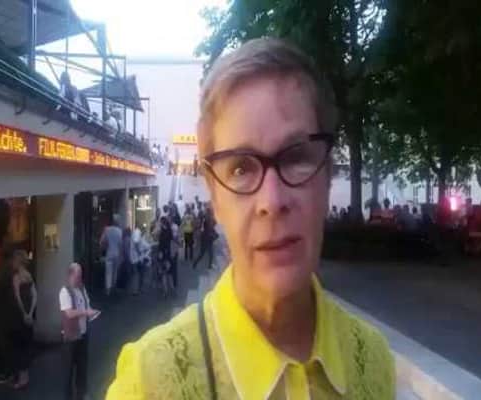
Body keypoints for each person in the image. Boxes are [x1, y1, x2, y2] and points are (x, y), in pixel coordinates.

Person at [108, 38, 394, 399]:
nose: (271, 201)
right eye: (241, 168)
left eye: (296, 157)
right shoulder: (147, 383)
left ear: (327, 175)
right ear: (214, 196)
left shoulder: (374, 361)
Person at [60, 263, 99, 400]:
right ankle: (67, 396)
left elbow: (87, 304)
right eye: (77, 276)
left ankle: (82, 393)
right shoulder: (64, 291)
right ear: (70, 275)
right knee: (68, 369)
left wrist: (91, 312)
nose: (80, 279)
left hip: (83, 333)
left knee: (82, 366)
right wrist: (85, 312)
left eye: (81, 276)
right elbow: (69, 313)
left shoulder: (82, 288)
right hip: (71, 336)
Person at [7, 250, 37, 389]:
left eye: (14, 260)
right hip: (29, 313)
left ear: (17, 261)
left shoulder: (16, 277)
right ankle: (25, 377)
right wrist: (30, 313)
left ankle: (22, 379)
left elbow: (17, 297)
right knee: (26, 344)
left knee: (18, 345)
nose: (12, 263)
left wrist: (24, 313)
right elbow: (35, 294)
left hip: (19, 316)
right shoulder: (29, 275)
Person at [100, 215, 123, 296]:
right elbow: (120, 244)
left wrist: (103, 249)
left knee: (108, 272)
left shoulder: (107, 229)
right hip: (117, 253)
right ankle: (113, 286)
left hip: (109, 253)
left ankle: (108, 289)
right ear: (117, 222)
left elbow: (102, 241)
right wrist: (121, 255)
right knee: (115, 271)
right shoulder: (119, 231)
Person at [158, 217, 174, 297]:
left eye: (160, 222)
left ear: (162, 223)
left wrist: (160, 254)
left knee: (163, 274)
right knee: (169, 273)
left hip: (163, 255)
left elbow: (161, 244)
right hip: (168, 254)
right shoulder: (169, 230)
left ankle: (165, 292)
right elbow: (171, 239)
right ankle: (172, 289)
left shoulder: (162, 232)